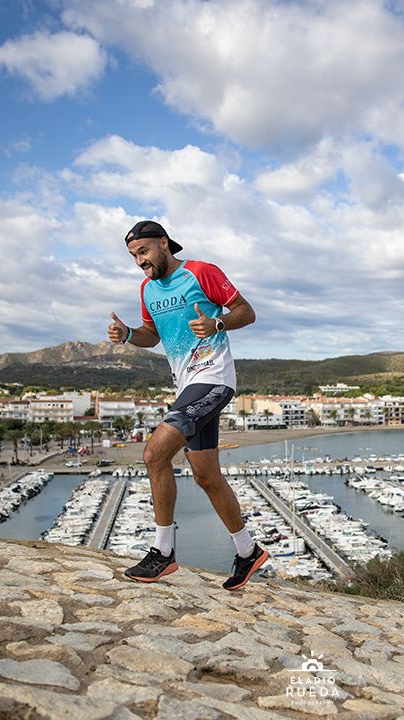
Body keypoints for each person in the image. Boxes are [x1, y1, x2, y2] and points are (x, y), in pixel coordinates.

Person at [108, 220, 269, 590]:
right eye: (134, 256)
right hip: (186, 385)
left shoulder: (202, 272)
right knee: (206, 476)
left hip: (212, 379)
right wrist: (129, 334)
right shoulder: (148, 290)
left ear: (164, 244)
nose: (139, 261)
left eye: (144, 252)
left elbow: (246, 312)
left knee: (154, 455)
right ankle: (248, 552)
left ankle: (162, 553)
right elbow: (152, 336)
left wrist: (217, 324)